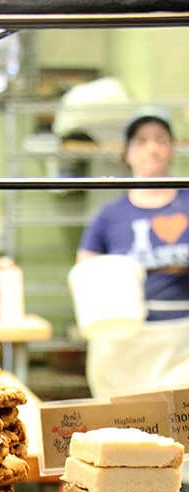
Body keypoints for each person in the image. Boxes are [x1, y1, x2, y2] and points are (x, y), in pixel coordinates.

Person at [74, 108, 189, 398]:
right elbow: (87, 271)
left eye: (161, 140)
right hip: (126, 343)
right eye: (142, 141)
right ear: (127, 153)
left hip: (183, 341)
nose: (152, 148)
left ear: (172, 149)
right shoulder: (110, 216)